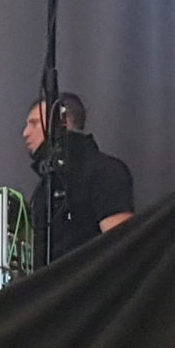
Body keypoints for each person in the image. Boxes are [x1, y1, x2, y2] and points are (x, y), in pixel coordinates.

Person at [22, 92, 135, 263]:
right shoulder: (45, 187)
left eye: (34, 123)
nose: (25, 133)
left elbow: (121, 246)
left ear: (61, 122)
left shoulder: (104, 170)